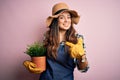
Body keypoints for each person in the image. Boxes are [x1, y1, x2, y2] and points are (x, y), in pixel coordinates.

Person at [24, 2, 89, 80]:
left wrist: (82, 56)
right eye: (62, 17)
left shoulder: (77, 39)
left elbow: (83, 69)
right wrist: (32, 64)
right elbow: (42, 61)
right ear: (55, 21)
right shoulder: (47, 37)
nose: (66, 20)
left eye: (68, 17)